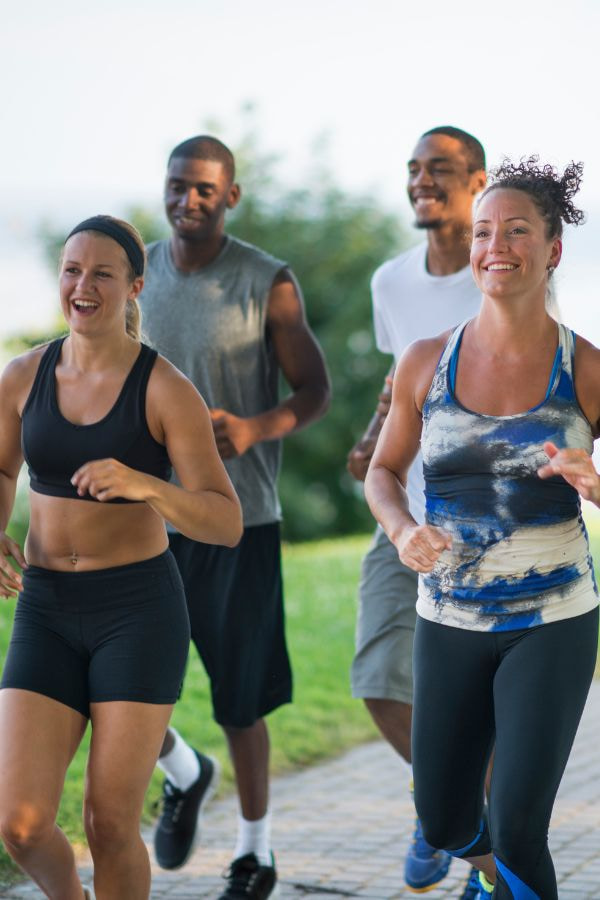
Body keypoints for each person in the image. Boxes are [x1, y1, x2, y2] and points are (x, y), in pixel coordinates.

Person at [365, 157, 599, 899]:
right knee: (442, 820)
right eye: (485, 231)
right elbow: (381, 471)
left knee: (521, 822)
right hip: (448, 616)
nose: (497, 245)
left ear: (552, 250)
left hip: (553, 620)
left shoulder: (585, 368)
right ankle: (495, 882)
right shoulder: (425, 362)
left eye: (517, 230)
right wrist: (402, 529)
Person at [0, 215, 242, 899]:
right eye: (72, 270)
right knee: (18, 823)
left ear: (134, 286)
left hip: (136, 611)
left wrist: (146, 485)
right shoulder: (23, 376)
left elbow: (224, 522)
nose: (83, 285)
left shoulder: (164, 390)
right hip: (46, 606)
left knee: (108, 824)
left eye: (102, 273)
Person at [139, 135, 330, 898]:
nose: (189, 201)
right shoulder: (136, 272)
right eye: (178, 186)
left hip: (240, 521)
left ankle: (256, 854)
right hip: (147, 521)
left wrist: (255, 429)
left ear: (232, 196)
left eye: (205, 190)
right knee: (122, 683)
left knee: (241, 699)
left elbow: (312, 389)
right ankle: (184, 772)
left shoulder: (267, 282)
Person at [347, 126, 487, 894]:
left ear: (477, 180)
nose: (421, 182)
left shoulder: (500, 274)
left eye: (438, 170)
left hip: (483, 521)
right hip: (401, 511)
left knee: (478, 696)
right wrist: (374, 438)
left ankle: (478, 846)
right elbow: (396, 384)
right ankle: (444, 803)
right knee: (377, 677)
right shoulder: (390, 281)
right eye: (413, 171)